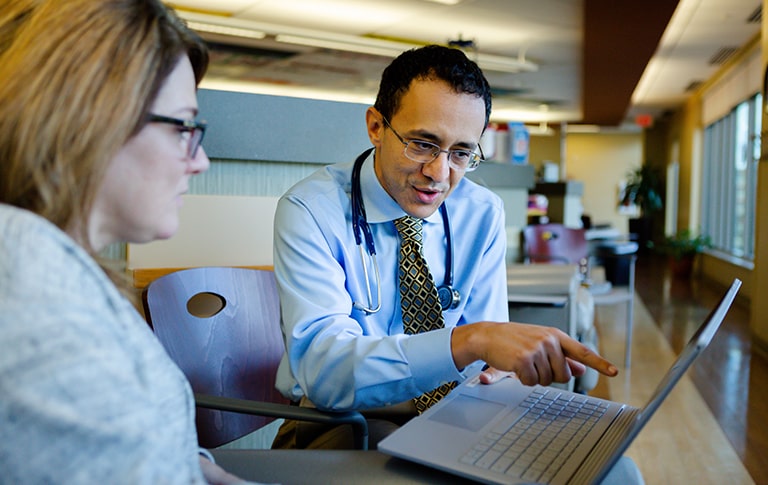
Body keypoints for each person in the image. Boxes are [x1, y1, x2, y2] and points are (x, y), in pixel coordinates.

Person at [271, 44, 620, 448]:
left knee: (607, 468)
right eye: (422, 143)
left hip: (456, 414)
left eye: (461, 153)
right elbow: (325, 374)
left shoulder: (481, 212)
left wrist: (500, 371)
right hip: (344, 421)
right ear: (376, 127)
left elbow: (489, 353)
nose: (439, 173)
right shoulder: (312, 211)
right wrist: (469, 341)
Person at [0, 1, 246, 483]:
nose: (200, 162)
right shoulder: (30, 288)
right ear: (88, 117)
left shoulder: (53, 263)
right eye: (183, 128)